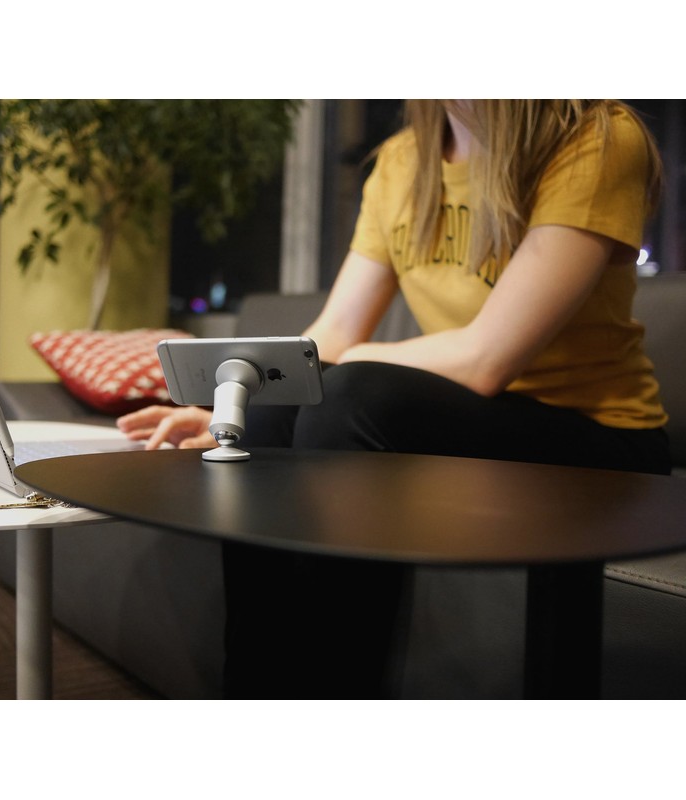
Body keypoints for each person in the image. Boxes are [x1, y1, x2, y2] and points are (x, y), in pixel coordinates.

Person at [117, 100, 672, 698]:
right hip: (477, 422)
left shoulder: (593, 136)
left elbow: (487, 359)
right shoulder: (403, 161)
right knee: (275, 411)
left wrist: (347, 364)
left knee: (350, 395)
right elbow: (333, 333)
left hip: (600, 445)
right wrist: (233, 409)